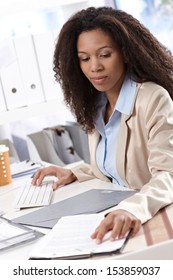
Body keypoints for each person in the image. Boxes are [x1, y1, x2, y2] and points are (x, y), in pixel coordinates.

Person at [32, 6, 173, 244]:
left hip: (150, 218)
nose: (94, 67)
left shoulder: (153, 98)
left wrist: (132, 209)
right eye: (84, 59)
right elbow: (116, 171)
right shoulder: (96, 103)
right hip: (116, 215)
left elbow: (168, 174)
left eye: (105, 54)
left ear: (126, 53)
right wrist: (74, 172)